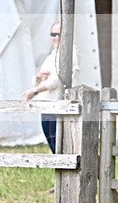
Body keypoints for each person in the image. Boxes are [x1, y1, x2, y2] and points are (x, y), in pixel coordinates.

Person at [21, 21, 80, 153]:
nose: (56, 37)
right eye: (53, 34)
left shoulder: (71, 52)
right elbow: (37, 82)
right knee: (53, 144)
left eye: (60, 34)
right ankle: (59, 172)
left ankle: (68, 173)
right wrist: (38, 77)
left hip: (61, 106)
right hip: (47, 106)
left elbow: (59, 80)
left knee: (61, 145)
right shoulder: (51, 56)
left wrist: (35, 91)